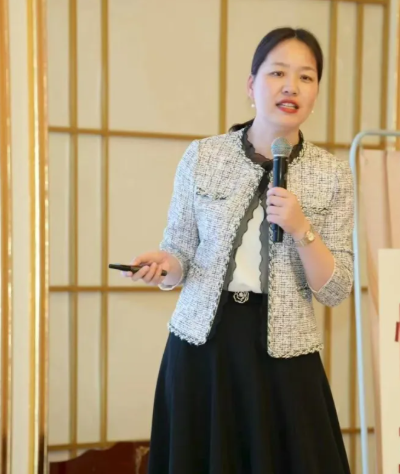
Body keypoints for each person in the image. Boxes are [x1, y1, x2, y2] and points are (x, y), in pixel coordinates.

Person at [122, 27, 354, 474]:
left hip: (285, 357)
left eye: (306, 77)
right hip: (202, 350)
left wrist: (302, 229)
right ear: (251, 86)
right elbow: (178, 253)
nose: (291, 86)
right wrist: (165, 266)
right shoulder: (202, 157)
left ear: (316, 92)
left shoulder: (333, 174)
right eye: (277, 73)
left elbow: (335, 289)